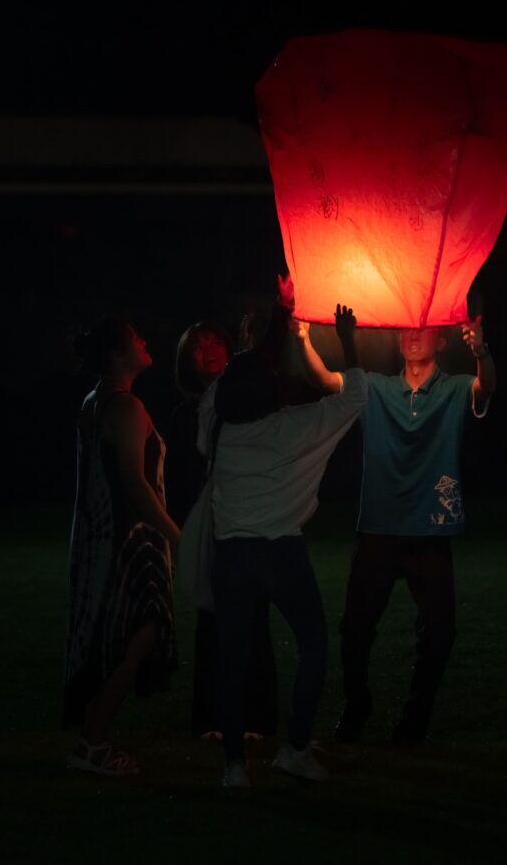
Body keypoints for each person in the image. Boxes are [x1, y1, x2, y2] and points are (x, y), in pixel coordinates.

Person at [200, 287, 366, 788]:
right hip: (282, 554)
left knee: (232, 661)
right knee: (313, 644)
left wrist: (258, 340)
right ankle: (294, 748)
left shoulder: (217, 428)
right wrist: (347, 341)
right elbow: (356, 396)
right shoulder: (297, 426)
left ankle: (234, 767)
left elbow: (225, 388)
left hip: (232, 556)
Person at [333, 311, 495, 745]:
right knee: (355, 628)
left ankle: (415, 718)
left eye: (422, 328)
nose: (411, 335)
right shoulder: (378, 388)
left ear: (441, 341)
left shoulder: (456, 387)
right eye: (405, 328)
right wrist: (303, 338)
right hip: (379, 530)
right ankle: (356, 705)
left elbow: (486, 387)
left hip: (430, 532)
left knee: (440, 632)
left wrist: (481, 350)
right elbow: (328, 380)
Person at [62, 318, 181, 776]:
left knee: (113, 639)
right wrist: (176, 535)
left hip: (101, 538)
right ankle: (94, 743)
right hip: (132, 545)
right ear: (117, 355)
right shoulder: (127, 409)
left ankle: (92, 737)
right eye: (136, 339)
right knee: (138, 637)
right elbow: (134, 483)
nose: (146, 341)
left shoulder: (94, 402)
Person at [166, 318, 279, 742]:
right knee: (211, 622)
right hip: (207, 526)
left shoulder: (244, 402)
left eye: (215, 341)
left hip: (248, 521)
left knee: (254, 619)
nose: (208, 350)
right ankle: (211, 719)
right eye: (197, 346)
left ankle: (258, 719)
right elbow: (179, 479)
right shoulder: (184, 416)